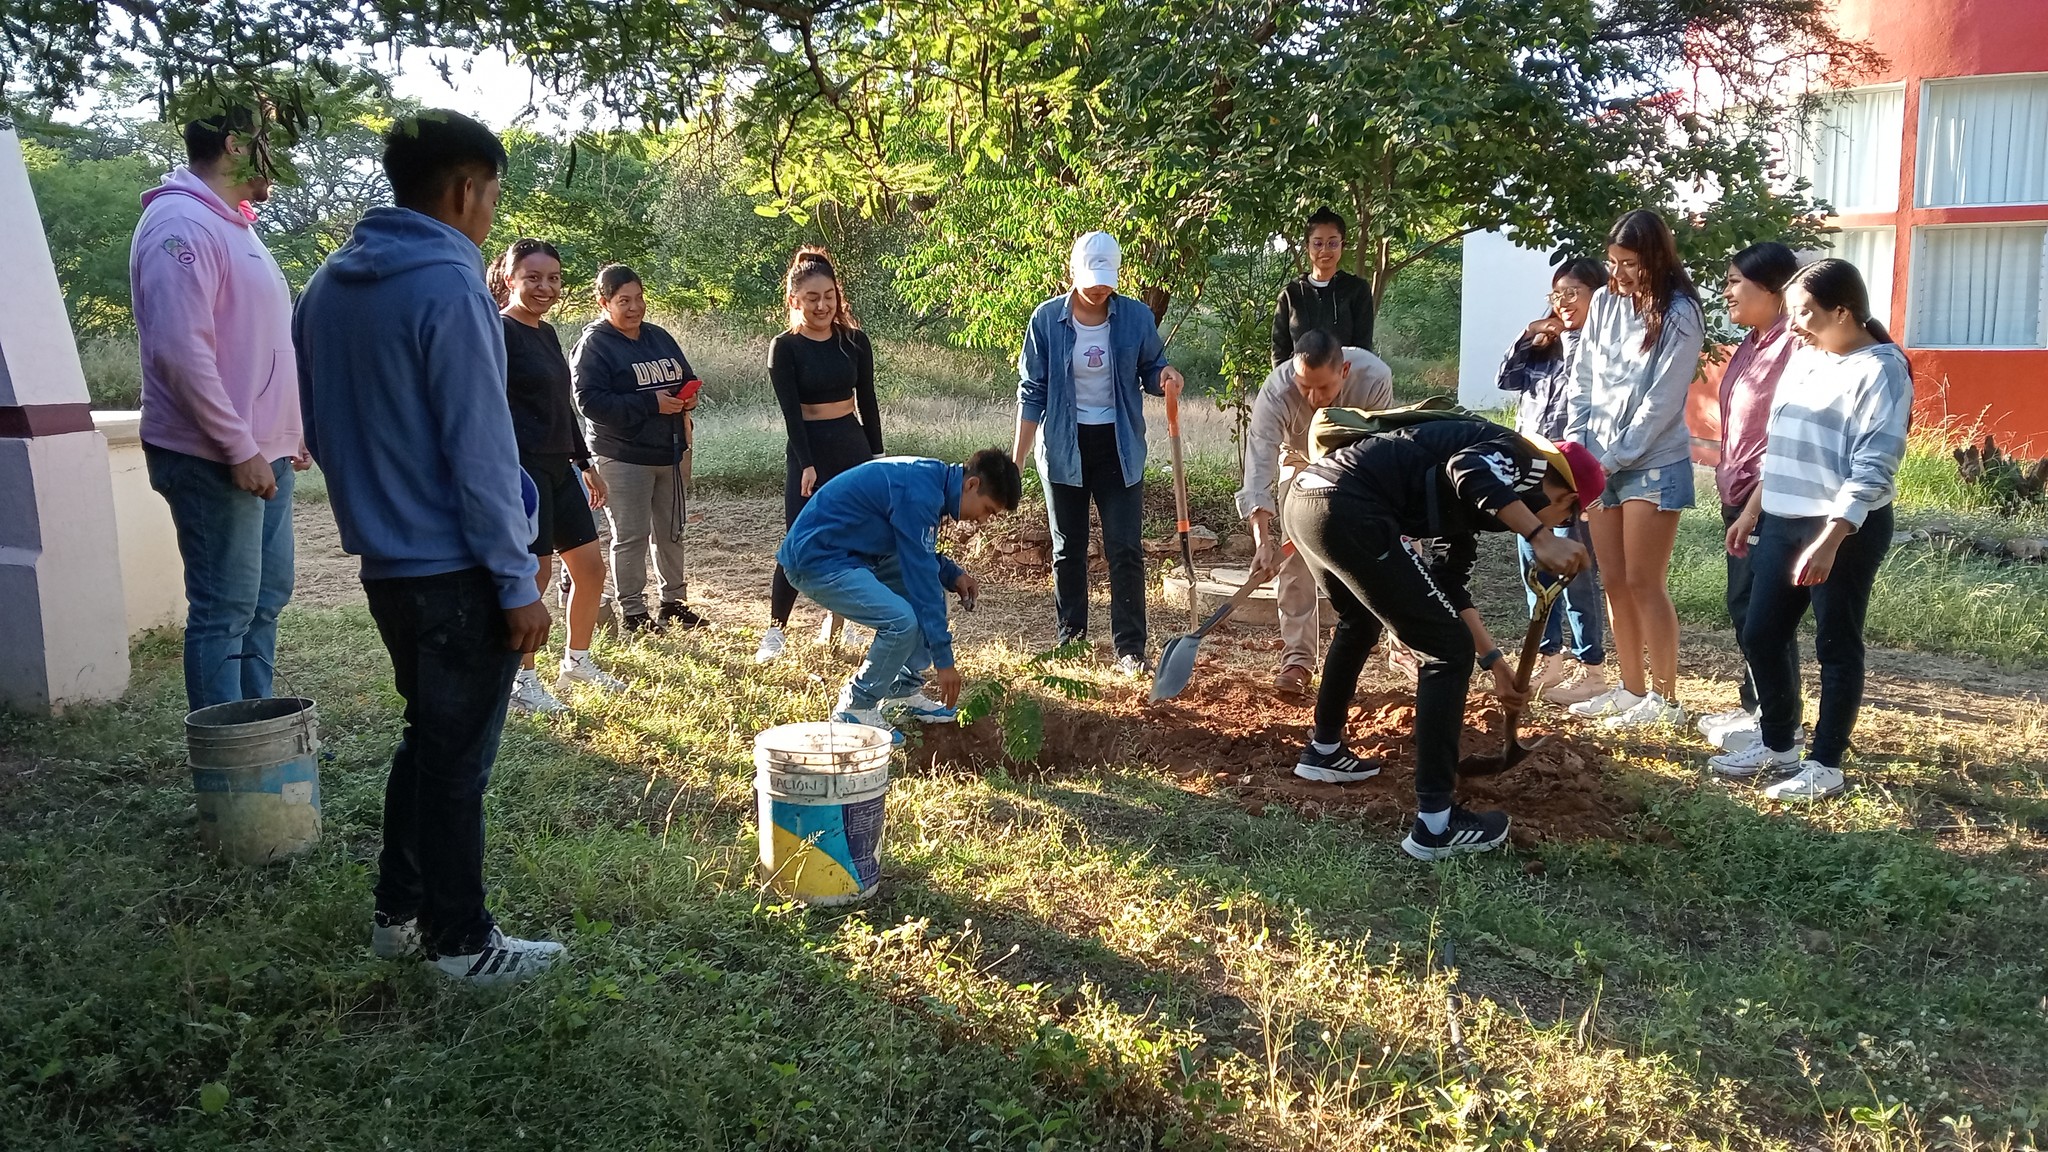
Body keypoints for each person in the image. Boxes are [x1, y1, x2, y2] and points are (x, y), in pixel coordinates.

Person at [295, 110, 562, 983]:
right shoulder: (450, 289)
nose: (490, 210)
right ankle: (460, 941)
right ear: (466, 189)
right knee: (457, 765)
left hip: (387, 567)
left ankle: (397, 911)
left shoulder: (326, 288)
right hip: (459, 571)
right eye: (492, 193)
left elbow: (323, 429)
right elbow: (480, 452)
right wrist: (516, 578)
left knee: (428, 742)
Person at [1283, 412, 1605, 859]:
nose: (1553, 528)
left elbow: (1448, 584)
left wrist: (1495, 663)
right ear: (1567, 498)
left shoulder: (1487, 503)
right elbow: (1467, 469)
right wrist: (1538, 536)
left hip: (1309, 499)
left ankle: (1324, 751)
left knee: (1362, 622)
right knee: (1446, 650)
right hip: (1348, 502)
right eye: (1561, 520)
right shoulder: (1519, 457)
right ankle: (1436, 825)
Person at [1709, 259, 1911, 800]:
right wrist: (1755, 509)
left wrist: (1831, 537)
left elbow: (1874, 465)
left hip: (1842, 530)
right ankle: (1779, 744)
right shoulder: (1806, 356)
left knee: (1835, 644)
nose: (1793, 324)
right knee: (1761, 632)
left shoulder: (1882, 369)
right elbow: (1782, 444)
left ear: (1842, 312)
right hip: (1781, 516)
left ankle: (1826, 765)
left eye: (1805, 313)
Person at [131, 107, 307, 712]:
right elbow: (180, 353)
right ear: (235, 146)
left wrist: (289, 432)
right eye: (271, 144)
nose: (284, 160)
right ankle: (229, 762)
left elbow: (259, 342)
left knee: (265, 599)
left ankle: (263, 731)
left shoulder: (237, 225)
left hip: (267, 453)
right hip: (215, 457)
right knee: (225, 610)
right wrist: (239, 447)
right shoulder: (178, 223)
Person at [1014, 231, 1186, 675]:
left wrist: (1164, 374)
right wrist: (1016, 461)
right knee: (1067, 549)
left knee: (1125, 547)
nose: (1099, 287)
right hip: (1064, 446)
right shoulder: (1046, 320)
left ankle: (1130, 649)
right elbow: (1031, 392)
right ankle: (1070, 641)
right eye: (1092, 279)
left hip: (1119, 444)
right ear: (1074, 273)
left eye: (1107, 279)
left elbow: (1150, 366)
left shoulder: (1135, 317)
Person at [1563, 209, 1705, 729]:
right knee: (1614, 581)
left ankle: (1665, 700)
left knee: (1646, 581)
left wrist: (1612, 456)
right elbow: (1583, 378)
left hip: (1653, 462)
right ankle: (1630, 689)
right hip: (1599, 461)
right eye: (1613, 262)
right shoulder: (1602, 301)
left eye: (1631, 264)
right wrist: (1580, 448)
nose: (1619, 274)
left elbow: (1662, 403)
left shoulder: (1681, 312)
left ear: (1657, 259)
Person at [778, 450, 1023, 742]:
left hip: (856, 552)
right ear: (971, 485)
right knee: (901, 621)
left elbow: (915, 550)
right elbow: (921, 581)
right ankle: (856, 707)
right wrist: (945, 662)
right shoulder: (918, 492)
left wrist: (950, 572)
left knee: (928, 596)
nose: (982, 521)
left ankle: (901, 692)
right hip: (818, 558)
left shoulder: (932, 481)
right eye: (987, 510)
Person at [486, 238, 628, 714]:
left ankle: (577, 660)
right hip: (522, 472)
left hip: (561, 466)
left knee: (589, 568)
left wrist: (585, 464)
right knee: (536, 575)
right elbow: (488, 407)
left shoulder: (545, 333)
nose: (545, 287)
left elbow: (563, 407)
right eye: (533, 278)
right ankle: (523, 681)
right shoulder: (497, 331)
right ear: (510, 279)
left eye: (553, 278)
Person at [1234, 328, 1393, 697]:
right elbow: (1259, 464)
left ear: (1345, 370)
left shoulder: (1375, 378)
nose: (1314, 398)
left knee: (1395, 543)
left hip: (1359, 463)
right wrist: (1263, 540)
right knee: (1293, 559)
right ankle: (1297, 659)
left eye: (1323, 388)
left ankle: (1404, 647)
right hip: (1300, 460)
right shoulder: (1276, 391)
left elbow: (1382, 449)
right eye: (1305, 387)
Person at [1698, 241, 1807, 752]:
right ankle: (1759, 708)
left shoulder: (1794, 345)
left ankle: (1775, 720)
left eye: (1735, 281)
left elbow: (1785, 434)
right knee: (1746, 606)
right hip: (1736, 491)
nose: (1726, 291)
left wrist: (1755, 501)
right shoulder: (1752, 342)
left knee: (1762, 612)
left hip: (1769, 497)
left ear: (1772, 289)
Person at [756, 247, 885, 664]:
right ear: (794, 300)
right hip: (808, 448)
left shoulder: (854, 341)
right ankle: (775, 631)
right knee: (798, 539)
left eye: (829, 295)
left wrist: (878, 457)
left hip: (852, 443)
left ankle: (838, 622)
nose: (822, 304)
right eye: (812, 297)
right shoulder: (785, 347)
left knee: (852, 536)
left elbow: (868, 401)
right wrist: (807, 463)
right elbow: (791, 414)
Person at [1494, 258, 1612, 708]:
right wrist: (1530, 334)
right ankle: (1550, 656)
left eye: (1573, 293)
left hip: (1571, 475)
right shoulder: (1547, 345)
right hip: (1531, 471)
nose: (1563, 303)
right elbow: (1506, 378)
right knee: (1533, 565)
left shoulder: (1600, 348)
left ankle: (1592, 667)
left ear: (1597, 296)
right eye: (1557, 294)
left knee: (1575, 571)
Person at [571, 265, 707, 634]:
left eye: (639, 298)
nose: (634, 308)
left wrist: (687, 397)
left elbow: (683, 375)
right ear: (604, 302)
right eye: (623, 301)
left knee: (671, 531)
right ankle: (633, 611)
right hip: (622, 455)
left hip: (670, 451)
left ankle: (674, 603)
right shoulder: (594, 345)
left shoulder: (658, 337)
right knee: (630, 536)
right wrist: (651, 404)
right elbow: (589, 402)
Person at [1271, 207, 1376, 364]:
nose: (1325, 250)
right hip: (1299, 384)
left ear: (1343, 245)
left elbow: (1362, 349)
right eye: (1318, 243)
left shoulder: (1357, 290)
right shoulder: (1291, 294)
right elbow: (1279, 351)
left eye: (1332, 243)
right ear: (1307, 247)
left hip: (1346, 382)